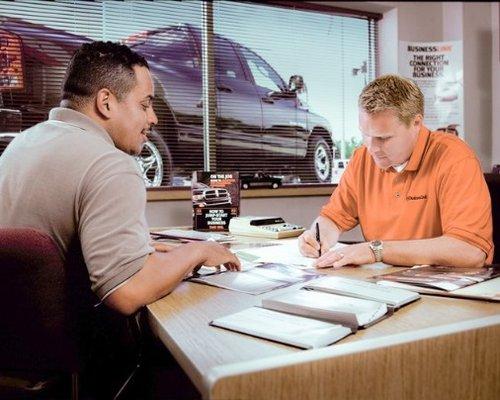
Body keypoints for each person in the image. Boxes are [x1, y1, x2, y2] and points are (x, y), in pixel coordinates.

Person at [0, 41, 240, 315]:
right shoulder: (110, 164)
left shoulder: (22, 144)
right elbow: (126, 291)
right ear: (106, 103)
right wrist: (196, 252)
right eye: (145, 104)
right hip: (68, 346)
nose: (153, 118)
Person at [299, 74, 493, 269]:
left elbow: (470, 251)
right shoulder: (362, 158)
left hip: (447, 289)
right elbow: (333, 218)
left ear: (416, 123)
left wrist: (376, 250)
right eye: (366, 134)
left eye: (384, 138)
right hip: (385, 283)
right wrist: (318, 237)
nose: (372, 148)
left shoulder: (455, 159)